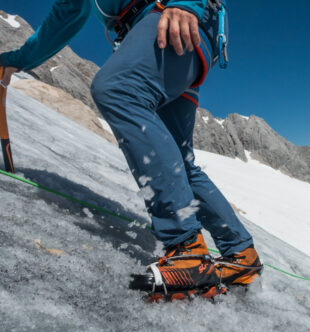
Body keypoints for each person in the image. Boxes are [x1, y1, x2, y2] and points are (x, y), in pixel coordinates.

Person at [0, 0, 262, 298]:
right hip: (186, 35)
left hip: (173, 16)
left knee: (118, 88)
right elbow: (68, 14)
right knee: (176, 156)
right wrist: (16, 59)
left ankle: (186, 249)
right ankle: (241, 254)